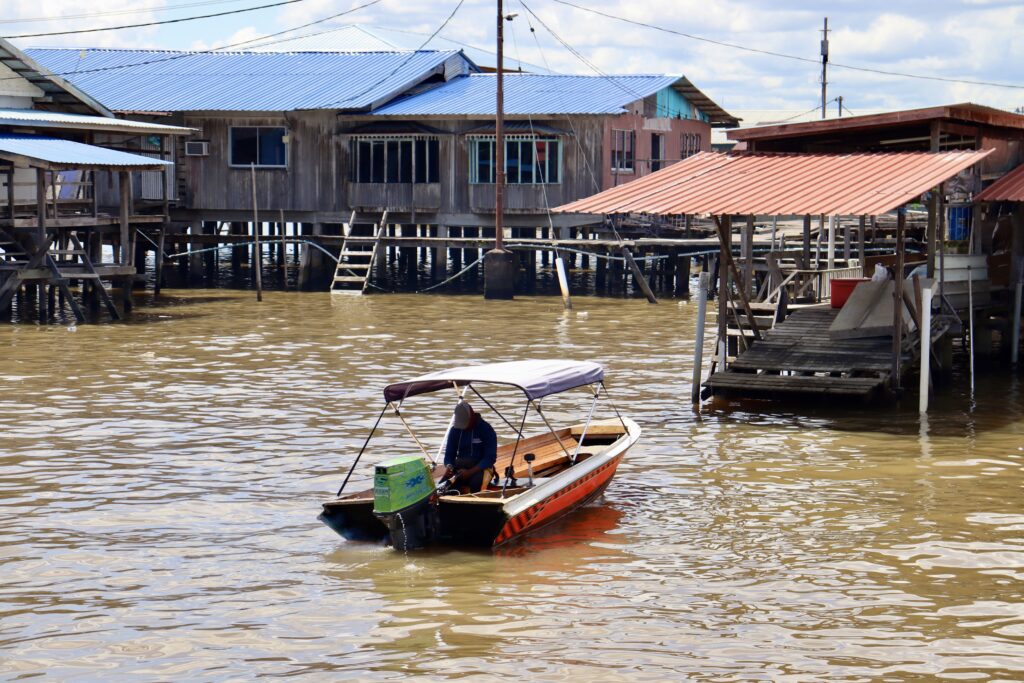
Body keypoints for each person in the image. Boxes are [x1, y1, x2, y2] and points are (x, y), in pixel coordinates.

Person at [443, 402, 497, 493]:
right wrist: (449, 466)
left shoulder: (486, 429)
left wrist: (470, 472)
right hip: (460, 468)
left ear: (472, 417)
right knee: (444, 486)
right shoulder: (455, 430)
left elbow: (490, 458)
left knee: (476, 484)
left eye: (465, 424)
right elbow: (449, 454)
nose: (463, 428)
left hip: (481, 468)